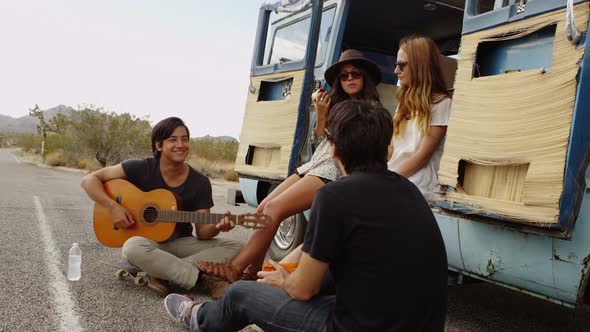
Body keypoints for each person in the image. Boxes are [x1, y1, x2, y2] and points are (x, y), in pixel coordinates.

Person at [164, 100, 448, 332]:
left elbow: (302, 289)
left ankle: (200, 318)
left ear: (334, 150)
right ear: (389, 149)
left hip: (351, 326)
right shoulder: (411, 193)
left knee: (241, 294)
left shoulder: (335, 195)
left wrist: (283, 282)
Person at [197, 49, 382, 282]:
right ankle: (253, 272)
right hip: (315, 163)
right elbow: (319, 140)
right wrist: (323, 114)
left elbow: (349, 145)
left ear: (365, 76)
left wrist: (327, 117)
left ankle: (234, 269)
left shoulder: (371, 110)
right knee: (264, 207)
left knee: (275, 210)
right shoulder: (338, 104)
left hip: (334, 169)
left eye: (355, 74)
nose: (350, 79)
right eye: (344, 76)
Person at [81, 117, 243, 298]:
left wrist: (217, 227)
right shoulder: (141, 167)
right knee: (131, 248)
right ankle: (203, 279)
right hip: (148, 243)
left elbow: (203, 233)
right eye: (173, 140)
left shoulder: (200, 182)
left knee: (237, 247)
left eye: (184, 139)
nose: (181, 144)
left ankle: (160, 270)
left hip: (179, 243)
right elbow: (89, 180)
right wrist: (113, 207)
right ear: (159, 145)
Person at [388, 35, 453, 202]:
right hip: (395, 178)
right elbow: (393, 150)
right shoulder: (403, 103)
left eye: (402, 65)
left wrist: (386, 181)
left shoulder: (442, 103)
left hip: (417, 186)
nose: (396, 71)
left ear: (420, 66)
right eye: (396, 65)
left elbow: (422, 157)